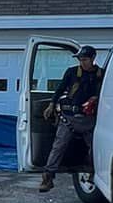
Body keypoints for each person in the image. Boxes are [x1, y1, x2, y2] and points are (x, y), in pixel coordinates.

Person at [36, 47, 103, 192]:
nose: (82, 62)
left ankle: (94, 173)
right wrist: (51, 105)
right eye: (80, 59)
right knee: (58, 146)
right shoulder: (72, 72)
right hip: (69, 118)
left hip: (89, 120)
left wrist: (96, 99)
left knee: (96, 147)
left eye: (84, 59)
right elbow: (60, 89)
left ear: (92, 59)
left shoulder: (101, 75)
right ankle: (48, 177)